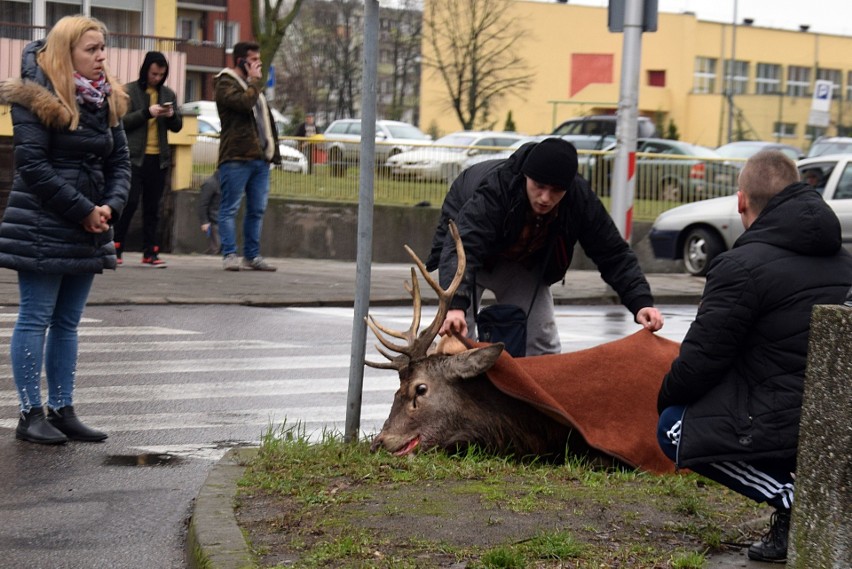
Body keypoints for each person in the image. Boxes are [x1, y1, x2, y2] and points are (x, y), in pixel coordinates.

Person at [656, 150, 852, 563]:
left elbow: (700, 363)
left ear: (741, 202)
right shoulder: (844, 260)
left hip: (786, 416)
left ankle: (797, 504)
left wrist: (666, 399)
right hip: (836, 418)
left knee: (674, 428)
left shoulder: (739, 267)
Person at [0, 15, 131, 444]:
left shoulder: (105, 98)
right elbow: (33, 167)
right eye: (91, 49)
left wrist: (109, 206)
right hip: (42, 222)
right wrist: (83, 211)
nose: (101, 56)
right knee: (36, 317)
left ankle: (62, 408)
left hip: (88, 222)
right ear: (65, 52)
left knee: (68, 322)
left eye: (102, 48)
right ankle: (28, 414)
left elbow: (120, 163)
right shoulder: (33, 96)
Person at [426, 137, 664, 356]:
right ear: (526, 177)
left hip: (521, 263)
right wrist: (455, 306)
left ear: (568, 188)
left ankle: (533, 400)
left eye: (556, 191)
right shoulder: (497, 189)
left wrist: (641, 302)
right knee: (457, 338)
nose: (545, 198)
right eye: (538, 186)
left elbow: (613, 252)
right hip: (467, 261)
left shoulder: (578, 199)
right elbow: (463, 246)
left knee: (543, 343)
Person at [214, 41, 281, 272]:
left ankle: (252, 256)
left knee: (257, 209)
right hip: (236, 157)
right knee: (230, 207)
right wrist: (253, 82)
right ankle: (229, 254)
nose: (258, 64)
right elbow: (242, 104)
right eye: (253, 60)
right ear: (241, 60)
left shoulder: (253, 88)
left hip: (259, 159)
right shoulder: (224, 82)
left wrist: (271, 153)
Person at [114, 51, 182, 268]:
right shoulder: (129, 91)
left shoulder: (168, 94)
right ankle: (115, 247)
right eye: (154, 74)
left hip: (158, 160)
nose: (157, 78)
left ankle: (151, 252)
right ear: (145, 71)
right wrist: (147, 113)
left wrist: (171, 115)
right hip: (134, 158)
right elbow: (121, 122)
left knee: (153, 207)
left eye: (161, 74)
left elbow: (178, 127)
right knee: (129, 203)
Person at [198, 169, 221, 255]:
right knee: (216, 248)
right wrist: (204, 221)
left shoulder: (222, 182)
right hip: (213, 221)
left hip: (220, 219)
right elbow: (203, 204)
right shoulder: (211, 183)